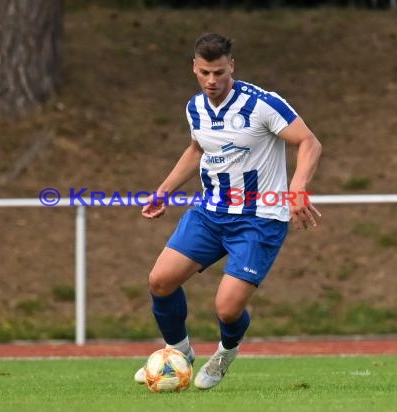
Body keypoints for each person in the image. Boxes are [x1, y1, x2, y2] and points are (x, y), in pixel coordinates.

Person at [134, 33, 322, 390]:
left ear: (231, 66)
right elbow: (196, 150)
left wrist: (297, 191)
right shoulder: (196, 108)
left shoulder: (263, 104)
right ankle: (179, 354)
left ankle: (225, 354)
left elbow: (309, 142)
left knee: (227, 308)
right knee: (160, 281)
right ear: (194, 67)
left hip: (259, 219)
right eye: (205, 72)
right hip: (211, 213)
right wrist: (163, 191)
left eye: (219, 72)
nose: (212, 81)